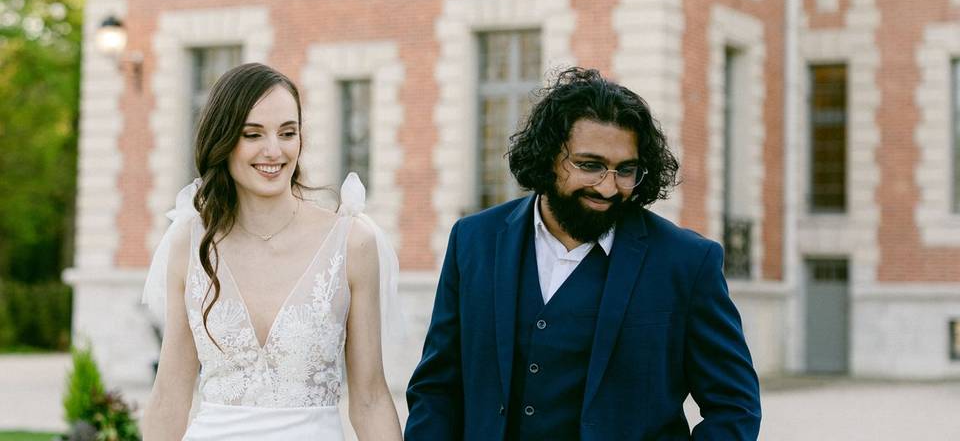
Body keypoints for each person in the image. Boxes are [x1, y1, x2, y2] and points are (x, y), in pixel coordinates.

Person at [405, 67, 761, 440]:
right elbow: (437, 388)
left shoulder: (687, 262)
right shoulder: (473, 241)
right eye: (589, 165)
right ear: (547, 156)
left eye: (626, 170)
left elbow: (735, 407)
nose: (608, 187)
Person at [141, 63, 403, 440]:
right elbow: (169, 396)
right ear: (224, 139)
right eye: (253, 134)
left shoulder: (351, 242)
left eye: (287, 133)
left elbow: (370, 399)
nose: (273, 150)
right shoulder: (190, 242)